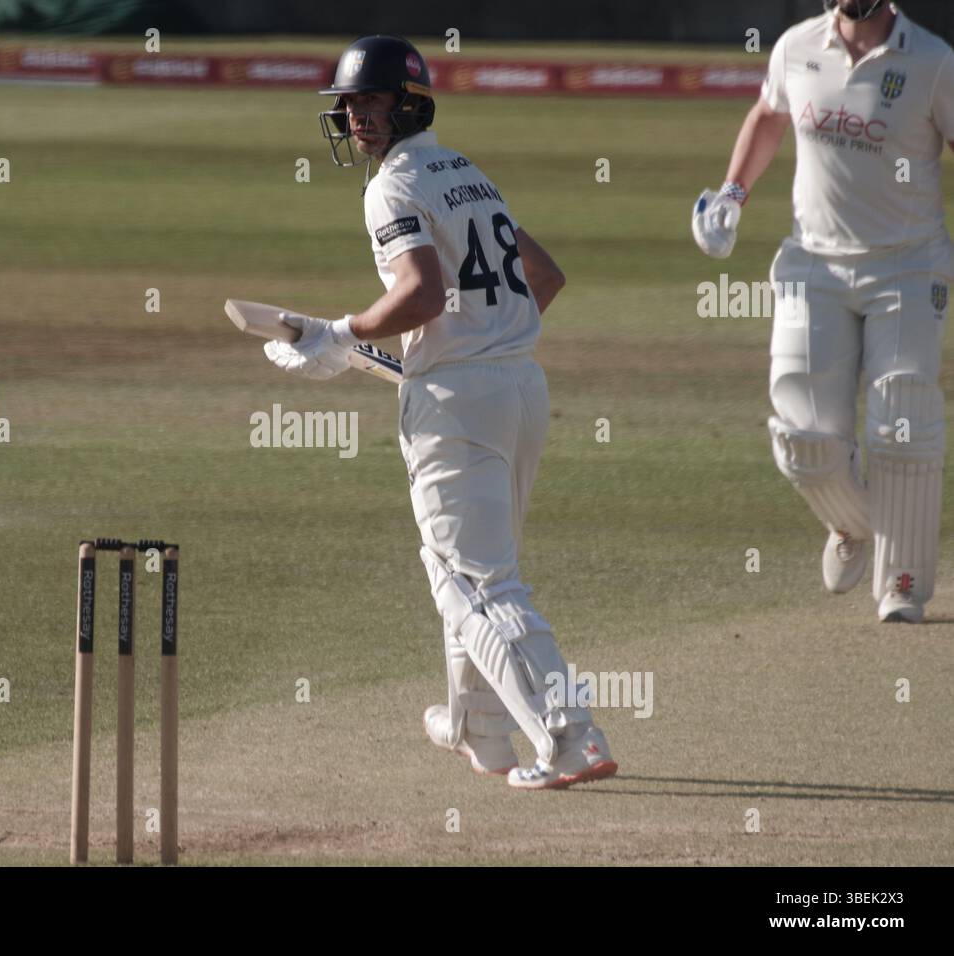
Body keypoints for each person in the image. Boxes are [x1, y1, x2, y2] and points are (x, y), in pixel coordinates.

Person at [266, 36, 617, 788]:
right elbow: (544, 278)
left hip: (458, 402)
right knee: (473, 570)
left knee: (475, 583)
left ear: (407, 102)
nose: (356, 116)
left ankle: (571, 736)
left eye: (369, 101)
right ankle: (479, 729)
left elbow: (422, 291)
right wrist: (479, 341)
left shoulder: (391, 186)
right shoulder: (465, 171)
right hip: (519, 388)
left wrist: (342, 333)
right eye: (349, 104)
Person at [693, 1, 952, 623]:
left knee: (903, 422)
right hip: (814, 265)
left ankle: (902, 581)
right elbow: (768, 115)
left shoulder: (934, 63)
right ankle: (852, 520)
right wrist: (731, 192)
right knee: (806, 440)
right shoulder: (795, 46)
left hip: (908, 265)